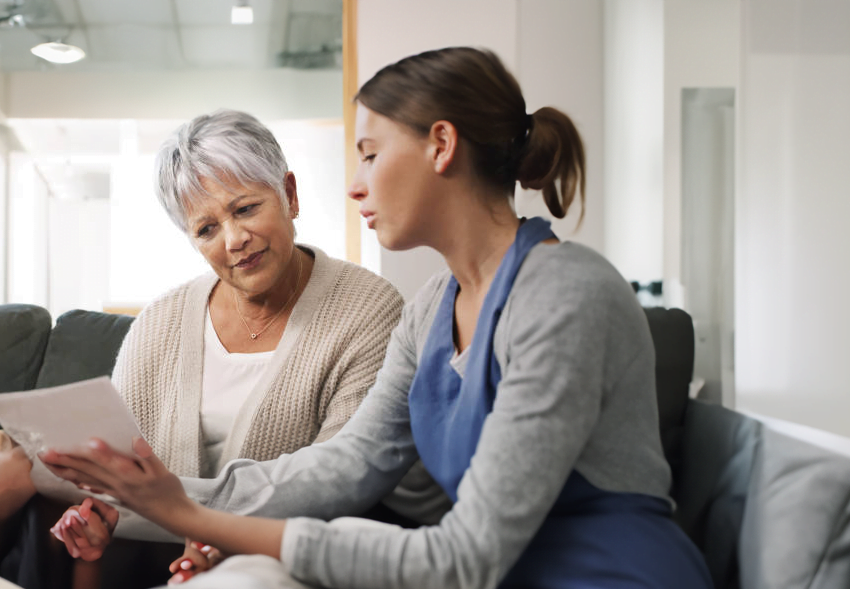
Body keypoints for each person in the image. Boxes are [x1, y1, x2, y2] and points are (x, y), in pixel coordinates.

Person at [40, 47, 714, 589]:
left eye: (369, 153)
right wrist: (161, 496)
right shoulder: (430, 311)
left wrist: (191, 512)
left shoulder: (568, 295)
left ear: (441, 145)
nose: (356, 183)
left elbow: (463, 559)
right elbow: (343, 466)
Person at [0, 110, 440, 588]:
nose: (234, 239)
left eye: (246, 209)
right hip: (157, 546)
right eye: (207, 228)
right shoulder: (159, 322)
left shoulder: (368, 309)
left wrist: (199, 520)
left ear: (290, 194)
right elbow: (121, 471)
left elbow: (338, 482)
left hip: (278, 550)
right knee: (27, 491)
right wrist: (98, 517)